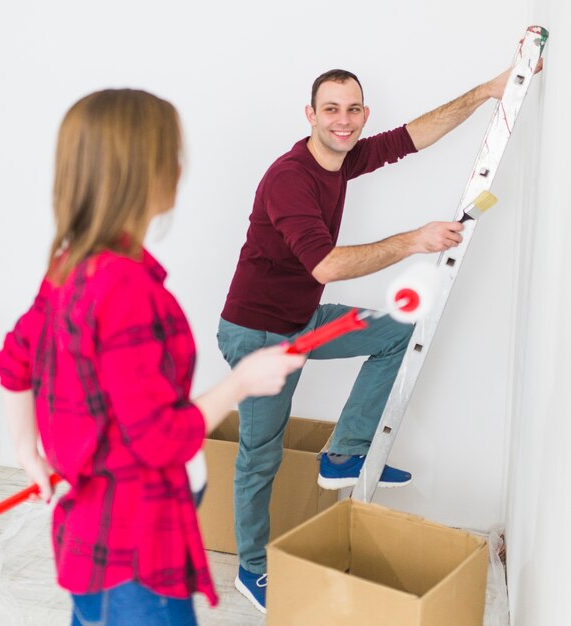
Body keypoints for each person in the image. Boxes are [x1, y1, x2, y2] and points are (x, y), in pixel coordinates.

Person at [0, 89, 305, 626]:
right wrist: (242, 382)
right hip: (136, 556)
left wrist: (28, 451)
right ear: (144, 173)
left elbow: (13, 361)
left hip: (91, 544)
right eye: (172, 155)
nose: (181, 169)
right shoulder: (128, 291)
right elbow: (160, 437)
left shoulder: (71, 265)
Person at [217, 66, 514, 614]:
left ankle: (343, 453)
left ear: (363, 114)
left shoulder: (344, 157)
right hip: (259, 334)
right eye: (331, 109)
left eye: (353, 110)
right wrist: (414, 240)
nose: (343, 120)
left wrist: (486, 92)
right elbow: (326, 265)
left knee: (399, 331)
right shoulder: (291, 178)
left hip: (300, 322)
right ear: (310, 115)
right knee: (260, 456)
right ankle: (251, 570)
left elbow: (411, 138)